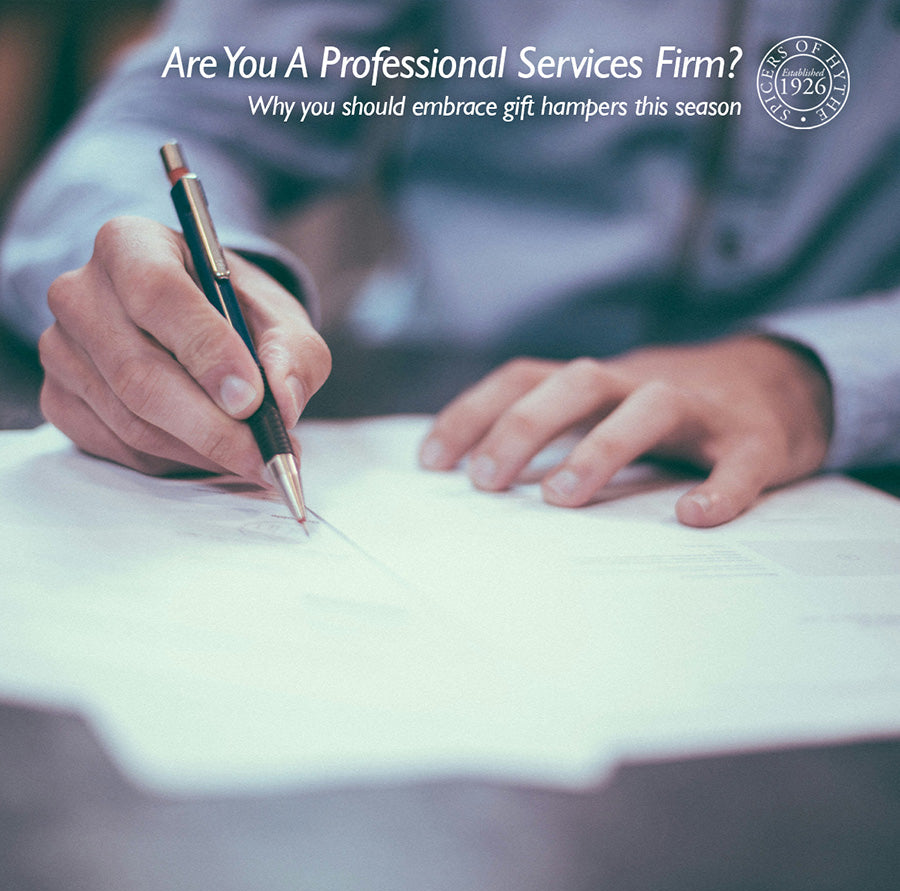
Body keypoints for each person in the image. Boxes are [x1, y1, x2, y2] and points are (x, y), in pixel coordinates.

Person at [1, 0, 898, 527]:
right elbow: (171, 118)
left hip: (849, 466)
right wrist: (157, 286)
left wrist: (817, 377)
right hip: (432, 422)